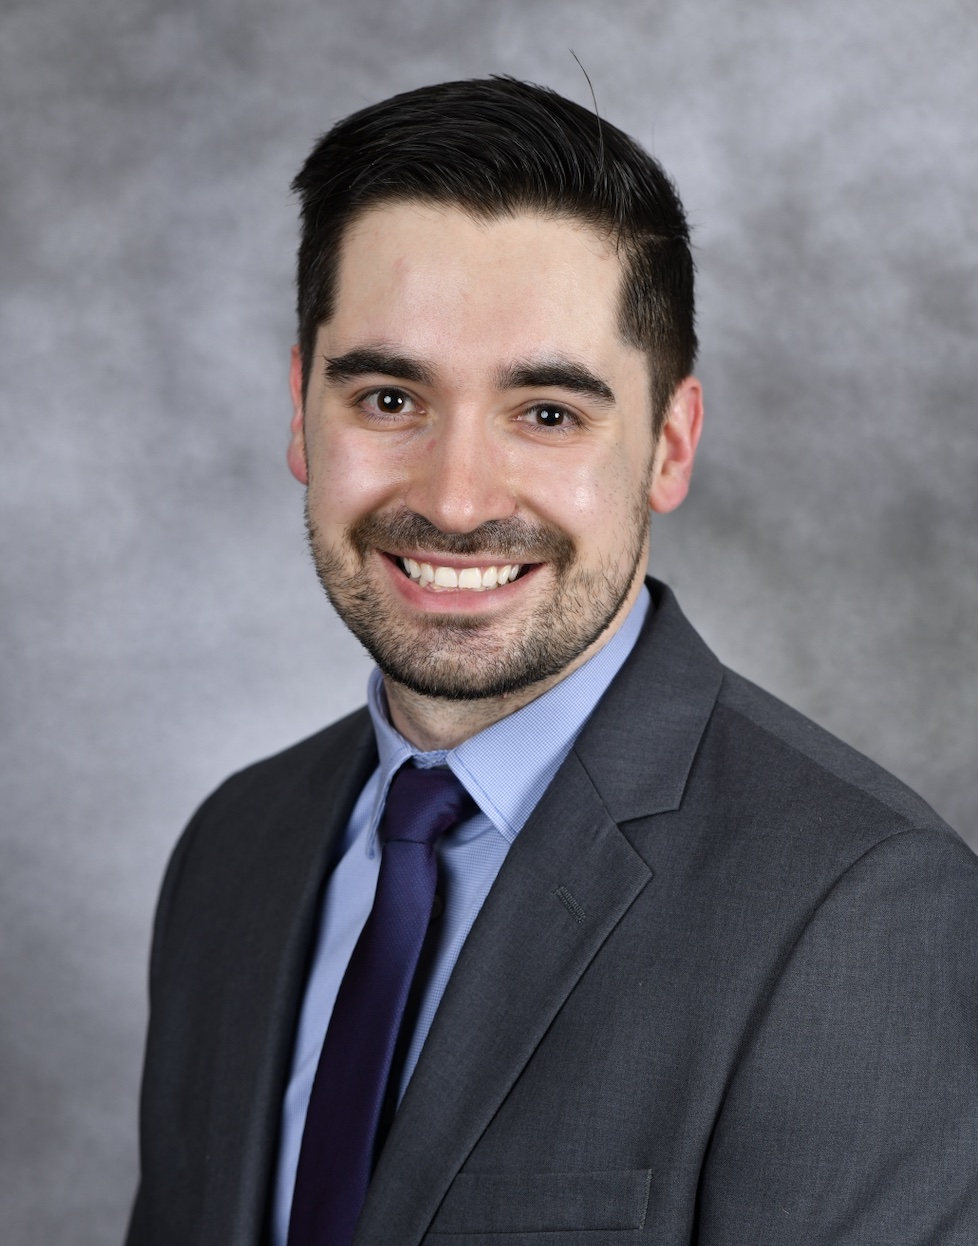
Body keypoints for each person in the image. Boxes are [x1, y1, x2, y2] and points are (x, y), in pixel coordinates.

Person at [125, 78, 978, 1246]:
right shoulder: (234, 849)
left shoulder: (860, 912)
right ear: (300, 412)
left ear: (668, 444)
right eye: (389, 397)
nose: (455, 499)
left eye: (547, 414)